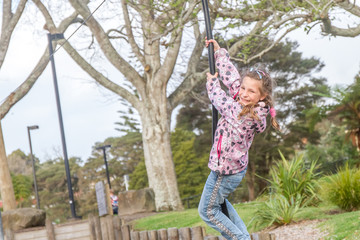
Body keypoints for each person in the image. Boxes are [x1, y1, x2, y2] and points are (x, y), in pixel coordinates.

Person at [198, 38, 279, 240]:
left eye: (251, 91)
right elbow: (233, 79)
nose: (243, 93)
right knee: (220, 207)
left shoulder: (247, 115)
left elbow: (220, 100)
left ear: (262, 95)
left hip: (223, 172)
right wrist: (220, 54)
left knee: (208, 212)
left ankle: (241, 239)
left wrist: (212, 83)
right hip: (232, 168)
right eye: (244, 88)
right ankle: (242, 236)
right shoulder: (247, 103)